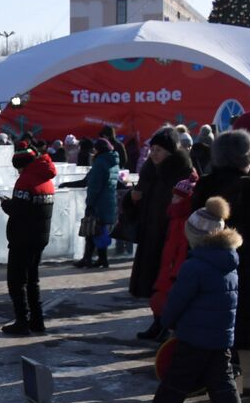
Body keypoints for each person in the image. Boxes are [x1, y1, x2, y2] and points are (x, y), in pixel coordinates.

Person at [136, 197, 245, 403]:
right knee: (221, 379)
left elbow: (178, 299)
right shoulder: (229, 262)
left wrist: (166, 320)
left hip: (195, 334)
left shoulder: (194, 266)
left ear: (196, 237)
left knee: (178, 375)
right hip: (221, 334)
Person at [194, 129, 250, 395]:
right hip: (243, 264)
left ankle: (203, 376)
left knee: (209, 318)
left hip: (205, 261)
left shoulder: (204, 184)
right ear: (246, 157)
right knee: (245, 317)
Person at [130, 127, 194, 340]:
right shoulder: (150, 171)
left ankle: (168, 325)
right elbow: (142, 201)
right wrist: (133, 199)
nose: (154, 154)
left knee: (168, 283)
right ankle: (158, 322)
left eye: (158, 150)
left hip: (172, 236)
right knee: (154, 284)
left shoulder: (182, 173)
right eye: (152, 149)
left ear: (170, 151)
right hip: (151, 233)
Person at [0, 142, 56, 334]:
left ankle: (22, 321)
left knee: (16, 281)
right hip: (39, 236)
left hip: (23, 237)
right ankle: (37, 320)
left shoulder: (25, 180)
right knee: (32, 280)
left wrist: (6, 204)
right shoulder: (45, 178)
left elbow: (19, 211)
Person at [147, 177, 197, 322]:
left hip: (174, 266)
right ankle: (157, 323)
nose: (173, 199)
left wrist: (175, 269)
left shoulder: (185, 220)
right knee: (160, 294)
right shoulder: (174, 216)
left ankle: (163, 325)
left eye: (177, 197)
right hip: (168, 262)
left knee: (166, 296)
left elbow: (181, 247)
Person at [69, 138, 120, 268]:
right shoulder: (112, 161)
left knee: (91, 230)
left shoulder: (100, 162)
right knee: (99, 230)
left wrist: (90, 203)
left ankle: (88, 259)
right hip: (109, 201)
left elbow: (94, 186)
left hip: (98, 202)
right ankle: (101, 260)